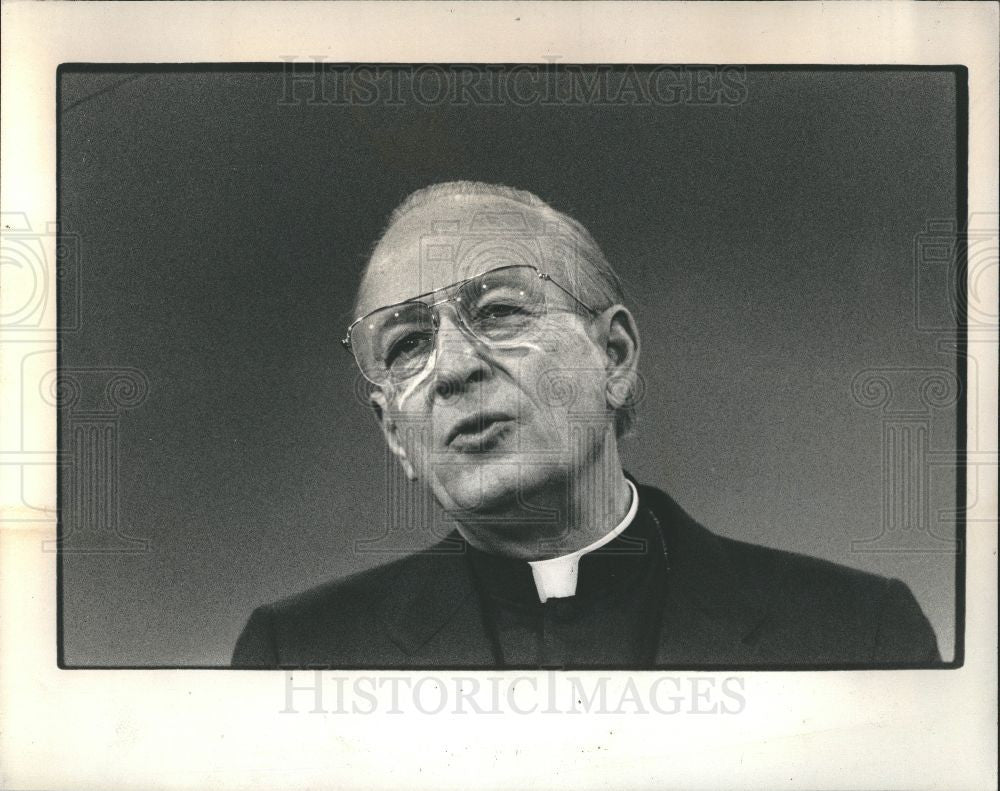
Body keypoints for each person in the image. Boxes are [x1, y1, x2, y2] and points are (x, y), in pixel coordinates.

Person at [232, 181, 940, 668]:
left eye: (499, 311)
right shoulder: (295, 651)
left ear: (616, 355)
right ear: (394, 433)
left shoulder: (858, 629)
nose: (451, 368)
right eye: (406, 343)